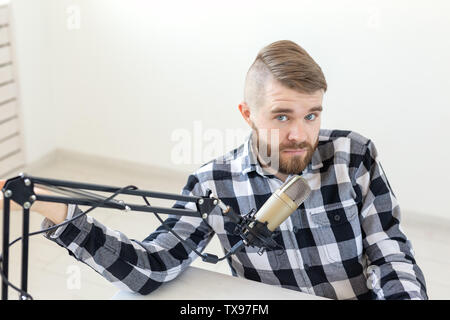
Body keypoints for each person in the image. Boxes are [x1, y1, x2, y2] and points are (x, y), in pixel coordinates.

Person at [0, 40, 427, 300]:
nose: (301, 133)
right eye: (282, 116)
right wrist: (56, 213)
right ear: (247, 113)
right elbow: (152, 267)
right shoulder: (214, 184)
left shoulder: (354, 155)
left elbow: (390, 255)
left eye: (312, 115)